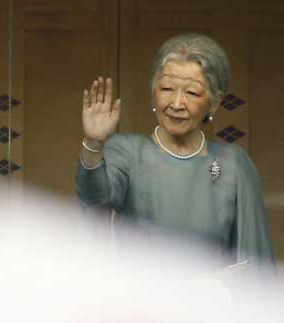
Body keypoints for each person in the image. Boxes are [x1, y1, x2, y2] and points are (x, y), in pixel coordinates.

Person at [76, 33, 274, 271]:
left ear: (214, 102)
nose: (177, 103)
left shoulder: (233, 163)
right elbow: (94, 197)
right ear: (154, 92)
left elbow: (256, 262)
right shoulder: (127, 151)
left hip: (210, 304)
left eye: (192, 93)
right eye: (167, 88)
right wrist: (93, 143)